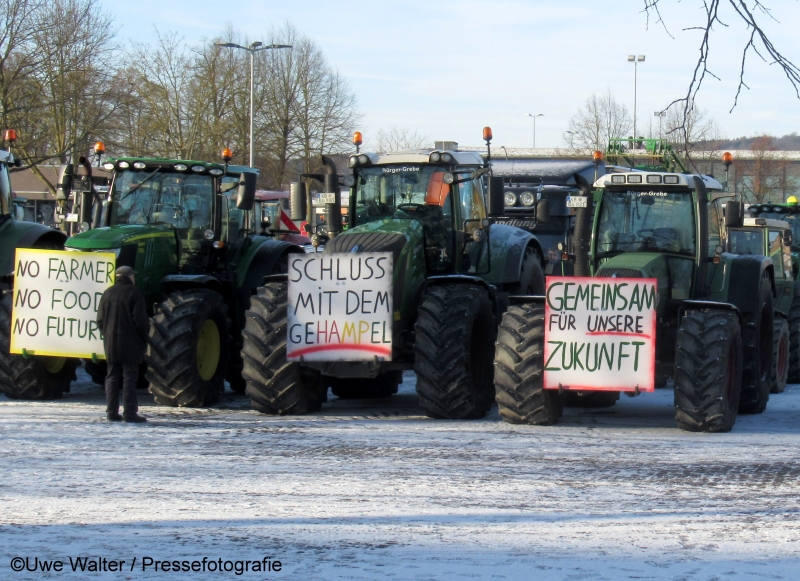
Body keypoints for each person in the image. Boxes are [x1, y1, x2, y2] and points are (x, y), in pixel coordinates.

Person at [96, 266, 150, 423]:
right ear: (129, 277)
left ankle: (112, 412)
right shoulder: (135, 292)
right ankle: (130, 413)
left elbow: (99, 319)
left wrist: (107, 333)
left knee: (112, 376)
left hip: (111, 342)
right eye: (133, 275)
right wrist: (145, 338)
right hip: (130, 343)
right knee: (130, 377)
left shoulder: (108, 293)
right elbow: (140, 319)